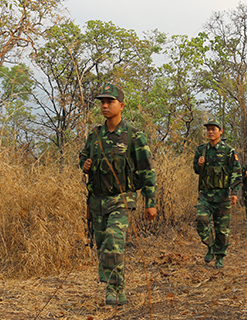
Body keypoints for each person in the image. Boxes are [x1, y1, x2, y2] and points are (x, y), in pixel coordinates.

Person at [79, 84, 157, 306]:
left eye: (109, 102)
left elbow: (147, 171)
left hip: (122, 200)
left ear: (121, 105)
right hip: (97, 202)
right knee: (103, 245)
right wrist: (84, 164)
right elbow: (83, 156)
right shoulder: (94, 135)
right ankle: (116, 285)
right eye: (102, 102)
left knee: (114, 241)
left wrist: (150, 203)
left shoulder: (134, 136)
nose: (104, 106)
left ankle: (114, 289)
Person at [193, 118, 242, 268]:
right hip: (205, 195)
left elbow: (236, 172)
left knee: (222, 229)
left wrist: (234, 192)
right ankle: (210, 246)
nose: (210, 131)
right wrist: (199, 164)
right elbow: (196, 170)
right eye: (208, 129)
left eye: (213, 129)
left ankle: (220, 256)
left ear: (220, 131)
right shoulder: (201, 150)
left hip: (222, 196)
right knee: (201, 220)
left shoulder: (228, 151)